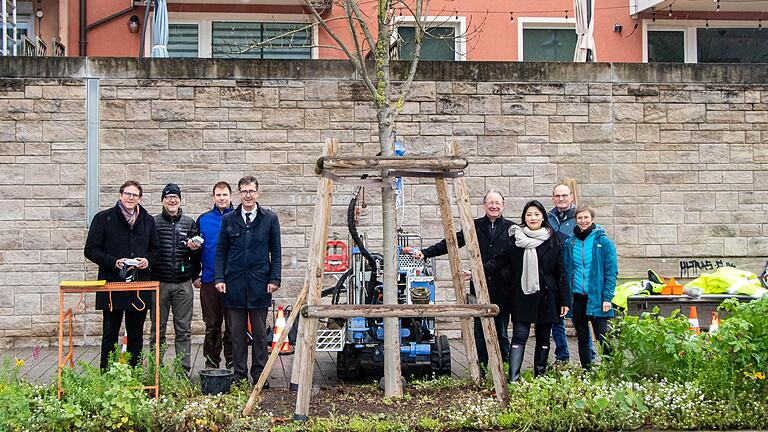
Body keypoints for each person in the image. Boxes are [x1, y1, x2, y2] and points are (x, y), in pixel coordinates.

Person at [415, 190, 513, 368]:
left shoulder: (512, 229)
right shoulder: (473, 226)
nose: (494, 206)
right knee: (480, 333)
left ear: (503, 205)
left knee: (502, 333)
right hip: (479, 287)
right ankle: (483, 368)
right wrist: (426, 253)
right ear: (484, 205)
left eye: (497, 202)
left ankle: (505, 368)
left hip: (503, 288)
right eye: (490, 202)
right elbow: (451, 242)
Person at [479, 200, 570, 382]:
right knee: (519, 336)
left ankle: (540, 377)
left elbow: (561, 272)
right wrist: (476, 271)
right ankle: (514, 377)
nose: (533, 218)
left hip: (546, 296)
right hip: (522, 295)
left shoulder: (554, 240)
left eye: (536, 214)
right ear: (524, 218)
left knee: (544, 337)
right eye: (529, 214)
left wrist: (565, 300)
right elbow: (499, 261)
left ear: (543, 216)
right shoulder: (516, 240)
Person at [84, 180, 158, 369]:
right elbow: (91, 249)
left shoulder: (148, 220)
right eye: (127, 193)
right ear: (120, 194)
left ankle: (134, 375)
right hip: (112, 286)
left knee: (136, 335)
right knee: (110, 333)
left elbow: (156, 250)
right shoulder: (103, 218)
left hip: (138, 286)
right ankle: (106, 374)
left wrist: (147, 261)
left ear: (139, 198)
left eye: (135, 195)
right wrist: (113, 262)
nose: (130, 198)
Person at [215, 176, 282, 385]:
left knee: (260, 334)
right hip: (234, 284)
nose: (248, 195)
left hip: (259, 284)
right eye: (244, 191)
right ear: (239, 193)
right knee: (236, 333)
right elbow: (221, 251)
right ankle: (239, 374)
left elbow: (276, 252)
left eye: (251, 191)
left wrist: (275, 278)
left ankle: (260, 375)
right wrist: (219, 277)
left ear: (257, 193)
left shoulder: (269, 219)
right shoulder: (229, 219)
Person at [150, 183, 199, 376]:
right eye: (168, 196)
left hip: (183, 283)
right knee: (157, 330)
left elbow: (197, 256)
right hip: (159, 283)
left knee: (183, 330)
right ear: (163, 200)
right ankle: (156, 371)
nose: (172, 200)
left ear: (180, 200)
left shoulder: (189, 223)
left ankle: (183, 371)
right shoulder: (153, 223)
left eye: (175, 197)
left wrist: (196, 249)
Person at [563, 204, 618, 370]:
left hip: (597, 297)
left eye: (586, 217)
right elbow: (566, 270)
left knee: (602, 336)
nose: (583, 221)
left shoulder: (604, 242)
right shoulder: (570, 242)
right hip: (578, 296)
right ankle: (587, 369)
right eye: (580, 218)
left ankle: (611, 368)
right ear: (575, 220)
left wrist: (607, 297)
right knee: (582, 336)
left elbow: (611, 272)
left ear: (592, 219)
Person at [547, 183, 595, 364]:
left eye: (564, 195)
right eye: (557, 196)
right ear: (553, 198)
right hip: (554, 276)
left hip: (574, 277)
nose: (561, 199)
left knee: (580, 320)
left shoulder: (579, 218)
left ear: (571, 197)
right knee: (556, 320)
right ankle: (562, 356)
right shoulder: (548, 218)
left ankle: (589, 356)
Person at [193, 181, 235, 370]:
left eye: (225, 195)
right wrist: (196, 274)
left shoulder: (238, 218)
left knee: (234, 325)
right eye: (218, 195)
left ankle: (234, 363)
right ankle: (211, 363)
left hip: (234, 280)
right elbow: (195, 250)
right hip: (209, 280)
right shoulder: (203, 220)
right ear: (213, 198)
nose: (222, 198)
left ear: (230, 196)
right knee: (212, 325)